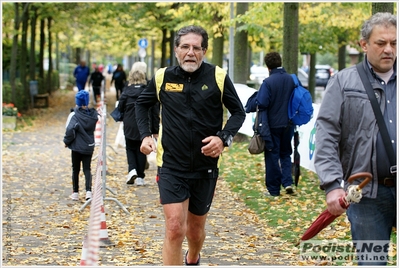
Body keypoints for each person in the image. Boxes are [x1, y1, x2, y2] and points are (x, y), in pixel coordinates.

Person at [135, 25, 245, 265]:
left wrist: (223, 138)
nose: (190, 52)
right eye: (185, 47)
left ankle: (193, 256)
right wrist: (145, 135)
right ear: (176, 50)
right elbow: (141, 105)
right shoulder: (163, 77)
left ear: (204, 51)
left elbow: (238, 112)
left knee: (194, 231)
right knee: (175, 228)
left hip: (205, 166)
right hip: (172, 165)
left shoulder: (217, 76)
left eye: (196, 48)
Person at [314, 12, 396, 266]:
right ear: (363, 45)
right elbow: (326, 134)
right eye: (381, 43)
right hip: (367, 193)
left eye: (394, 43)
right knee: (372, 262)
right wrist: (331, 184)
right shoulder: (343, 81)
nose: (389, 50)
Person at [245, 52, 297, 197]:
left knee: (272, 155)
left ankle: (274, 190)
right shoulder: (291, 79)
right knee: (286, 153)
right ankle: (287, 182)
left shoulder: (268, 82)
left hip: (272, 124)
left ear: (268, 67)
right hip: (288, 123)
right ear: (280, 62)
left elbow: (262, 102)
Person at [118, 69, 159, 186]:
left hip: (129, 124)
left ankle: (132, 170)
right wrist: (155, 130)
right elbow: (155, 112)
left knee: (130, 148)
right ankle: (140, 176)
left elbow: (120, 108)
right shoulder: (148, 92)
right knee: (141, 151)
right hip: (145, 124)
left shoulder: (126, 92)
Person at [63, 90, 99, 201]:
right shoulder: (93, 115)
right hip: (89, 145)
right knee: (87, 168)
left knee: (75, 169)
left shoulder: (74, 115)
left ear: (77, 102)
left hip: (76, 146)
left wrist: (66, 141)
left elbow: (69, 129)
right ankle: (88, 191)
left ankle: (75, 192)